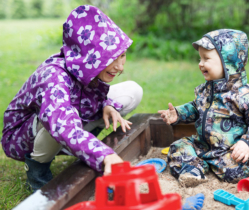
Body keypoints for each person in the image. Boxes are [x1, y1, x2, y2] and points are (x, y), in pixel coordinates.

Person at [1, 5, 143, 192]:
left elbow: (90, 92)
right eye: (111, 59)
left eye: (122, 55)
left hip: (72, 116)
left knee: (133, 90)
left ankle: (83, 143)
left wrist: (106, 105)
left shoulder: (85, 66)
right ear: (88, 56)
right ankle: (37, 169)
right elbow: (61, 122)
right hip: (25, 136)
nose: (120, 67)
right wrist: (105, 155)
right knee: (60, 118)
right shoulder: (53, 77)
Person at [158, 29, 249, 187]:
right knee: (178, 147)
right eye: (200, 58)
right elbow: (197, 108)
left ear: (228, 63)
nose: (200, 63)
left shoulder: (245, 95)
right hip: (202, 146)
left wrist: (247, 143)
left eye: (206, 59)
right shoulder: (205, 90)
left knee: (233, 174)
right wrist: (178, 113)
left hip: (228, 150)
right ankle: (194, 170)